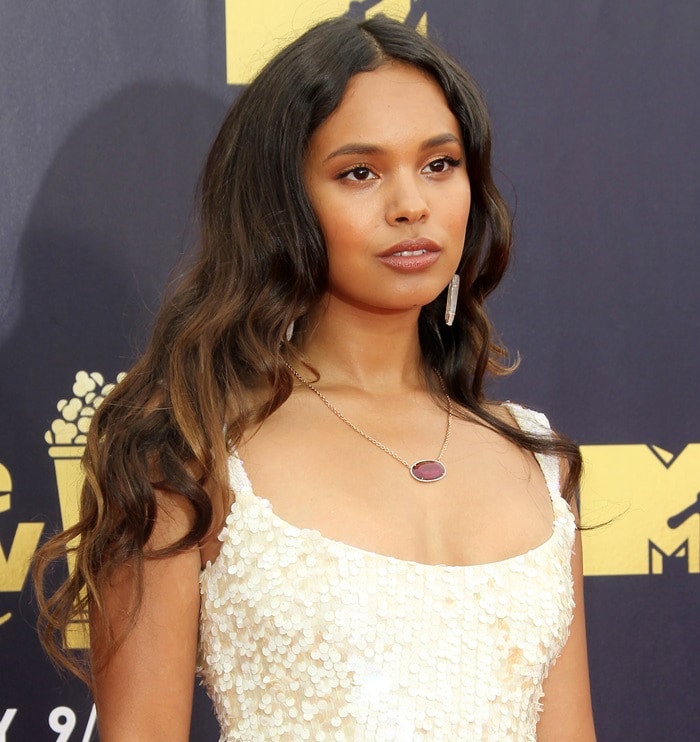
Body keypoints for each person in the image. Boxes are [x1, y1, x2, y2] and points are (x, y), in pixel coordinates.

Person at [34, 14, 596, 741]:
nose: (411, 205)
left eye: (440, 164)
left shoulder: (538, 461)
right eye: (359, 172)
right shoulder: (187, 448)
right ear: (283, 203)